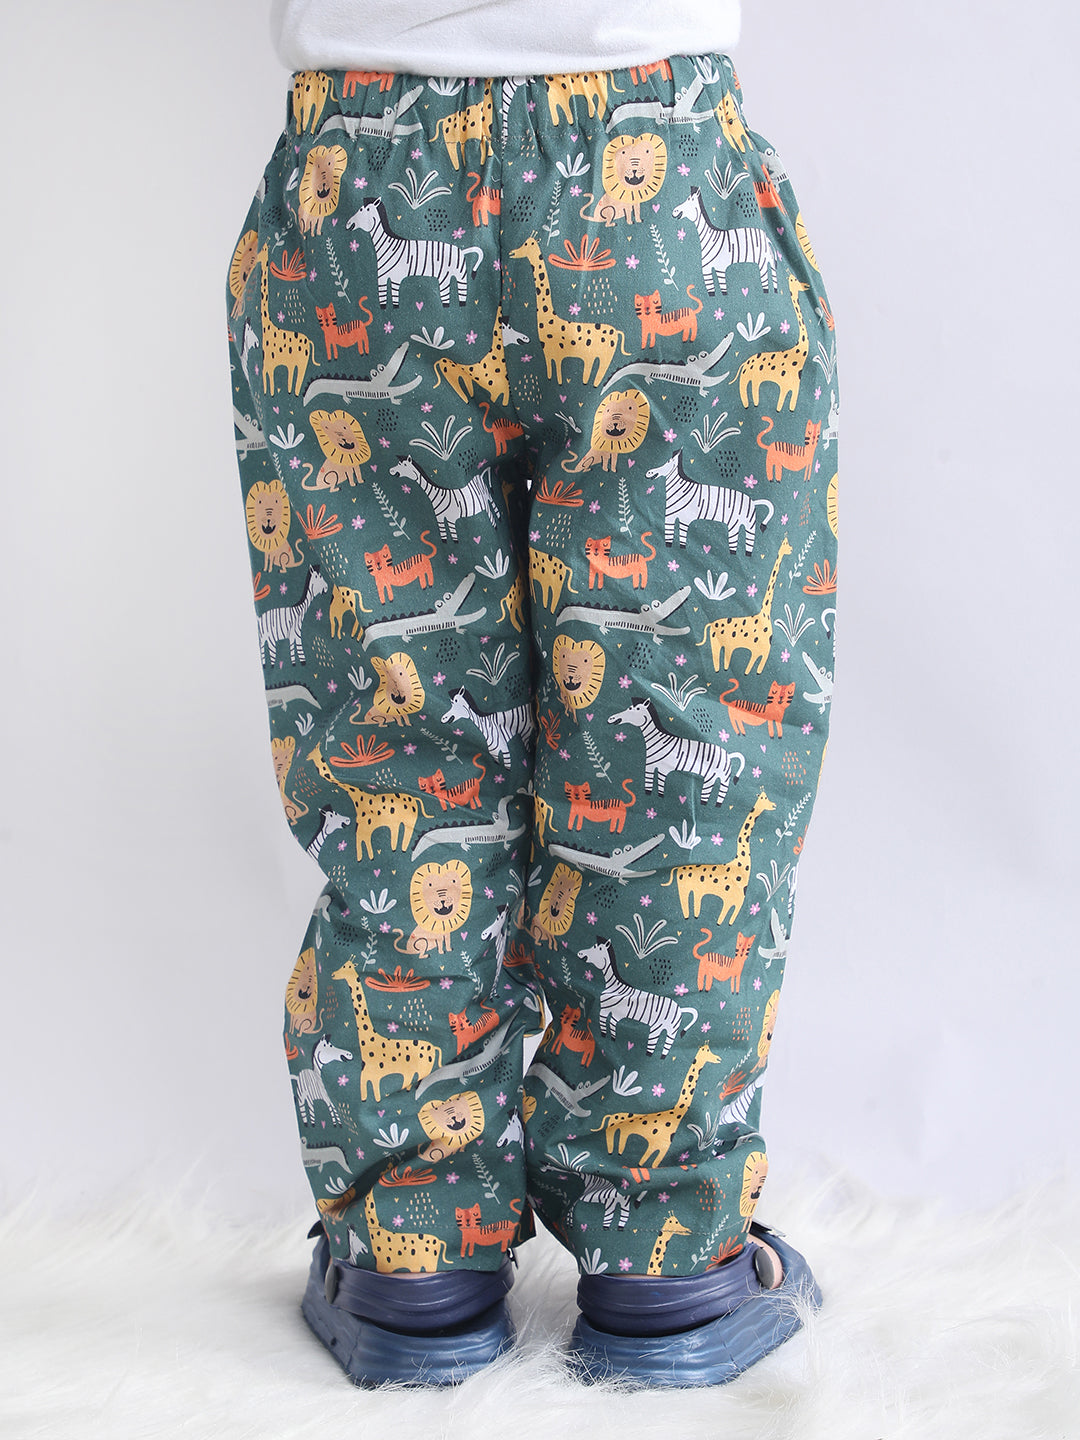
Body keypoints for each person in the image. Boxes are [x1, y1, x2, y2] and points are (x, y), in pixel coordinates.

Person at [226, 0, 838, 1388]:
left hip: (358, 180)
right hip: (656, 178)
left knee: (397, 741)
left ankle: (414, 1262)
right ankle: (667, 1260)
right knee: (684, 742)